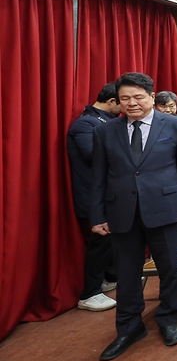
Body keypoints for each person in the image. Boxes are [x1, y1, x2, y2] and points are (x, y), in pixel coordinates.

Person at [88, 73, 177, 361]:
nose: (132, 103)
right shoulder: (105, 131)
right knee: (126, 273)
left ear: (152, 97)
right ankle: (128, 326)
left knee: (170, 267)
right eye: (125, 98)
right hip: (121, 211)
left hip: (164, 206)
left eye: (138, 97)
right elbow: (98, 176)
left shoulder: (175, 125)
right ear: (118, 101)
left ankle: (168, 318)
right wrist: (97, 214)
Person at [67, 83, 121, 313]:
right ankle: (90, 293)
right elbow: (92, 154)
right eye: (122, 101)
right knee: (100, 243)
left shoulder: (104, 121)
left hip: (111, 193)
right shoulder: (85, 123)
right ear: (111, 101)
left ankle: (109, 279)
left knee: (110, 241)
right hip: (94, 196)